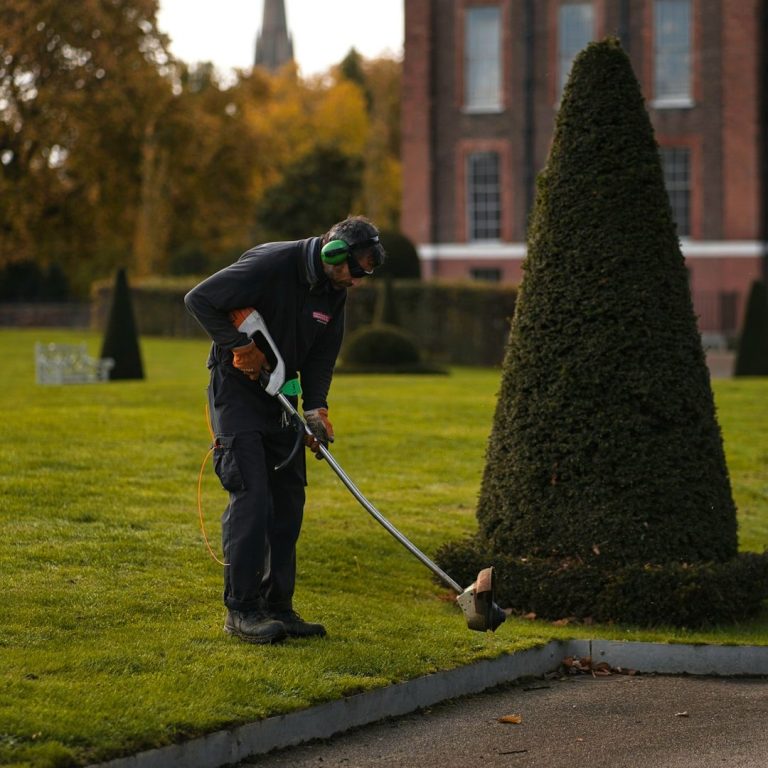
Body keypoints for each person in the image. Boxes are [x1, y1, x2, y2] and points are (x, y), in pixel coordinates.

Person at [184, 216, 385, 644]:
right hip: (237, 394)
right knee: (252, 495)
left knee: (288, 500)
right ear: (333, 252)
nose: (357, 281)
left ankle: (278, 607)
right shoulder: (271, 264)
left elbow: (321, 358)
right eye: (356, 269)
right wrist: (240, 346)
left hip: (281, 395)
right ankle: (241, 610)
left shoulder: (335, 292)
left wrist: (316, 410)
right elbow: (199, 299)